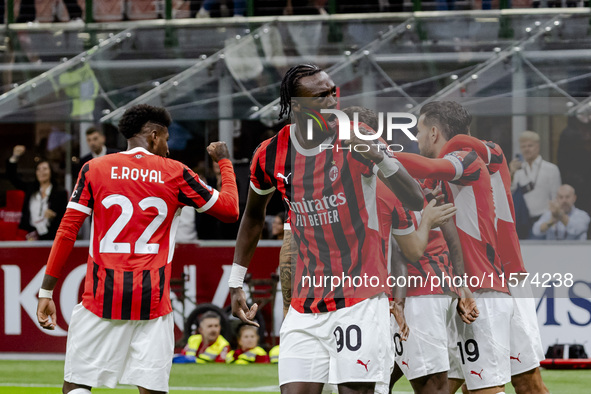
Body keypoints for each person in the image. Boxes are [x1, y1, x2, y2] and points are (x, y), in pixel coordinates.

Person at [230, 64, 424, 394]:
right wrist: (236, 282)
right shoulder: (270, 153)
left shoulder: (358, 135)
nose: (333, 99)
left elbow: (416, 198)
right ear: (298, 106)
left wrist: (376, 154)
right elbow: (252, 217)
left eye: (333, 90)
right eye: (322, 95)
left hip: (358, 299)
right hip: (305, 305)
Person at [35, 104, 239, 394]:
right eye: (166, 140)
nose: (168, 148)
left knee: (78, 385)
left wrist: (46, 291)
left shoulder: (94, 168)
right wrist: (224, 162)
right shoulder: (176, 173)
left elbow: (66, 230)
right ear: (154, 136)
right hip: (152, 301)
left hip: (100, 298)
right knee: (151, 389)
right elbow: (231, 210)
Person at [395, 101, 513, 394]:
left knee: (486, 388)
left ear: (433, 132)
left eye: (419, 131)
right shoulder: (432, 181)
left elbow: (428, 164)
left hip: (483, 290)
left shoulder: (467, 159)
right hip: (457, 292)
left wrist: (377, 154)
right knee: (445, 387)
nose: (417, 138)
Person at [440, 133, 549, 394]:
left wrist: (453, 142)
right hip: (467, 285)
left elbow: (487, 151)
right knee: (468, 381)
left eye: (421, 129)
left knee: (524, 382)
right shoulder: (443, 173)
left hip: (506, 278)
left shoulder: (482, 156)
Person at [7, 145, 68, 241]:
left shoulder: (60, 193)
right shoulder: (31, 188)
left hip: (51, 238)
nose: (41, 172)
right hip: (30, 237)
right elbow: (12, 177)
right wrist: (15, 157)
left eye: (45, 169)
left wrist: (54, 216)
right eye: (38, 169)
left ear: (51, 171)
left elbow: (65, 218)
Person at [510, 131, 561, 238]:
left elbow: (556, 198)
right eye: (523, 146)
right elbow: (509, 193)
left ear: (537, 146)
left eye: (530, 145)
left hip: (544, 220)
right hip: (523, 221)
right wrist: (511, 173)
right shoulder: (519, 171)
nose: (526, 149)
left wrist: (551, 220)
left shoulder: (551, 169)